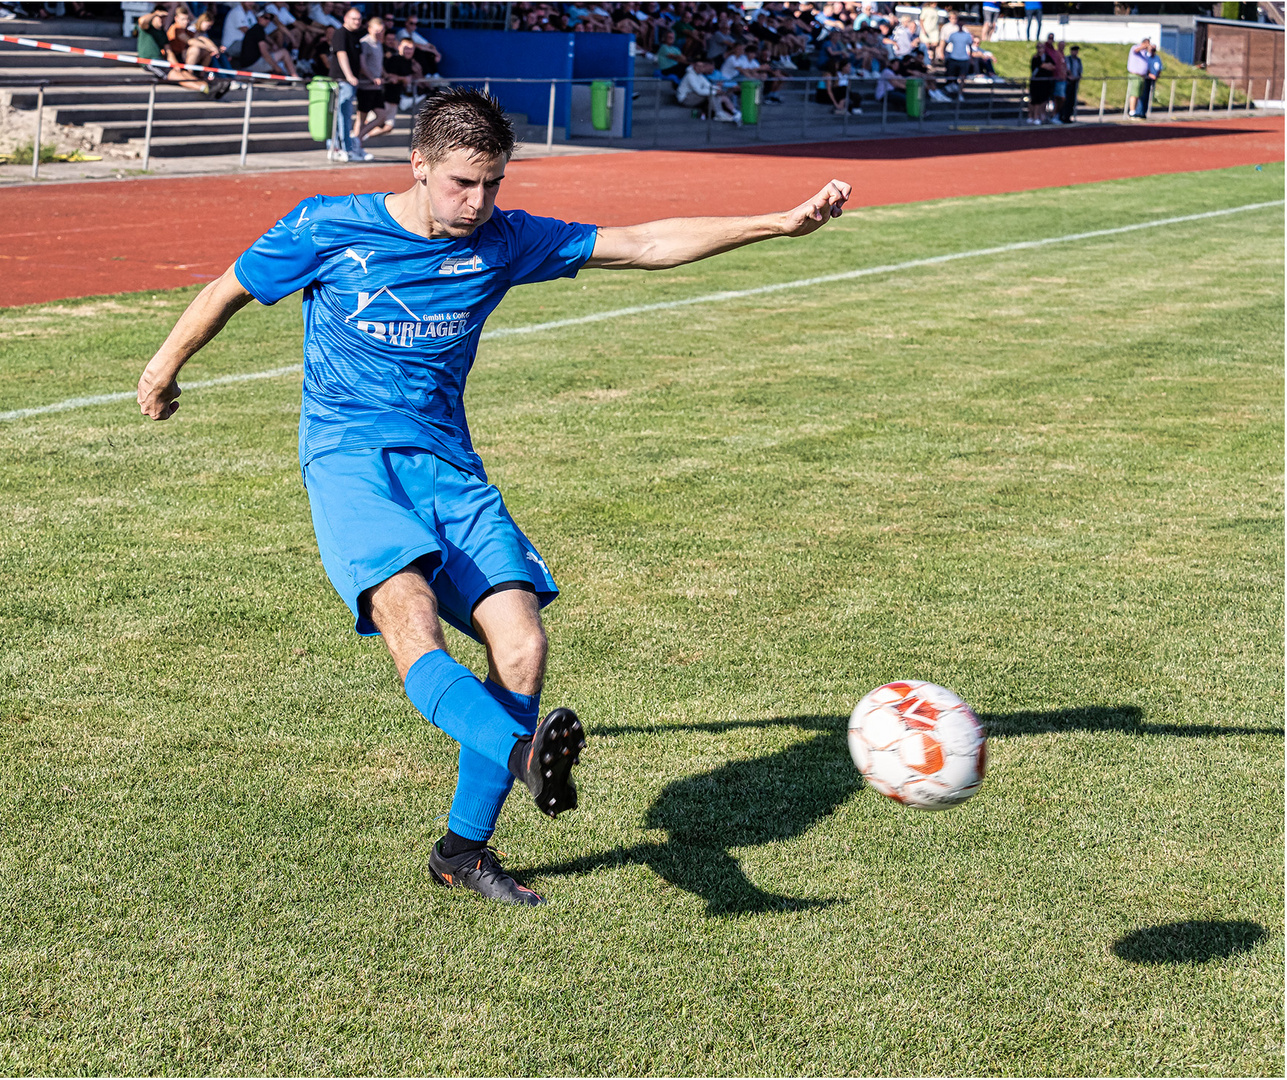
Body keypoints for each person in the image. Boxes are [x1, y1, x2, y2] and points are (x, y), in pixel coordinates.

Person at [137, 87, 851, 906]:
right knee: (406, 611)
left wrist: (776, 223)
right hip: (351, 459)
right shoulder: (323, 226)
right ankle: (523, 755)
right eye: (460, 185)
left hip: (452, 467)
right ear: (418, 165)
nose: (477, 204)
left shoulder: (505, 240)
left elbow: (646, 242)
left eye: (492, 185)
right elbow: (228, 287)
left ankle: (461, 853)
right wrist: (163, 369)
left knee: (522, 648)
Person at [320, 6, 368, 160]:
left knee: (345, 115)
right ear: (346, 19)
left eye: (359, 19)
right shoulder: (341, 33)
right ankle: (342, 148)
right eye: (354, 18)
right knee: (342, 115)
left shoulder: (355, 36)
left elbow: (360, 61)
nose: (357, 22)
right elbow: (341, 55)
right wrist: (349, 76)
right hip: (341, 81)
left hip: (350, 82)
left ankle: (343, 147)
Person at [237, 7, 297, 79]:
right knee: (284, 52)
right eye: (265, 18)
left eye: (270, 19)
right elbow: (264, 52)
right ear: (259, 18)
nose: (268, 21)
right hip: (251, 66)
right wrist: (276, 67)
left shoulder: (257, 29)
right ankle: (295, 76)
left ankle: (288, 75)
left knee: (275, 50)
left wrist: (272, 45)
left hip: (250, 64)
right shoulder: (258, 29)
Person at [357, 16, 389, 142]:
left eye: (382, 31)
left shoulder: (379, 44)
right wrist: (372, 77)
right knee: (361, 117)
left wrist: (385, 75)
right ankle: (356, 141)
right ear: (370, 29)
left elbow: (378, 64)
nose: (380, 33)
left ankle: (358, 139)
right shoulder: (365, 42)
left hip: (376, 87)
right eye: (377, 30)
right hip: (366, 86)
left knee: (381, 116)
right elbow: (362, 64)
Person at [942, 13, 974, 97]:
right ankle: (951, 90)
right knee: (951, 75)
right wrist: (944, 54)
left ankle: (960, 93)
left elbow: (970, 46)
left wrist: (970, 57)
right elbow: (946, 44)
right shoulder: (953, 34)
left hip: (964, 58)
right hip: (953, 57)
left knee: (963, 77)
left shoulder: (967, 35)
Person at [1027, 40, 1052, 124]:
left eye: (1041, 47)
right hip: (1036, 82)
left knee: (1043, 99)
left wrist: (1047, 66)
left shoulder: (1047, 57)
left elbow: (1053, 67)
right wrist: (1046, 65)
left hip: (1045, 82)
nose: (1040, 49)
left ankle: (1041, 115)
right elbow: (1042, 65)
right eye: (1038, 47)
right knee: (1035, 100)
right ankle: (1033, 116)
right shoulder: (1035, 57)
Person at [1126, 37, 1150, 120]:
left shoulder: (1145, 53)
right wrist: (1144, 46)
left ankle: (1136, 111)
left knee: (1139, 95)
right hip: (1135, 75)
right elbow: (1136, 50)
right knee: (1134, 94)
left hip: (1142, 76)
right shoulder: (1135, 47)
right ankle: (1131, 112)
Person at [1044, 33, 1066, 122]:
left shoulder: (1061, 54)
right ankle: (1053, 115)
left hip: (1062, 79)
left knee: (1060, 98)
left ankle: (1055, 115)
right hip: (1056, 79)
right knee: (1057, 98)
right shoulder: (1054, 53)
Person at [1136, 43, 1162, 118]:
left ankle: (1144, 112)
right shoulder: (1146, 57)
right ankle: (1138, 112)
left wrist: (1156, 76)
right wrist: (1150, 75)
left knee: (1148, 97)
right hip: (1146, 79)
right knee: (1142, 96)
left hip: (1153, 79)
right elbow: (1145, 67)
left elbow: (1159, 68)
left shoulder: (1157, 58)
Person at [1062, 44, 1082, 123]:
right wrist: (1071, 77)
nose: (1075, 52)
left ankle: (1069, 116)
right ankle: (1064, 116)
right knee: (1066, 100)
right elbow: (1067, 69)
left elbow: (1080, 71)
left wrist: (1077, 77)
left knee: (1072, 101)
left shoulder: (1078, 60)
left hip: (1075, 83)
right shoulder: (1068, 59)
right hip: (1068, 83)